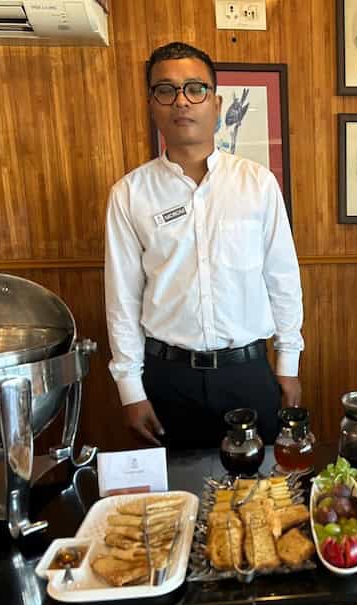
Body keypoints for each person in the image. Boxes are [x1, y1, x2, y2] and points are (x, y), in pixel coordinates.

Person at [105, 41, 303, 449]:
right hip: (166, 378)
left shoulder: (257, 184)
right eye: (166, 90)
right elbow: (122, 298)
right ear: (152, 104)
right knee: (176, 504)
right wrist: (130, 388)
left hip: (248, 374)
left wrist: (288, 365)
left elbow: (282, 279)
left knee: (262, 499)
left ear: (216, 102)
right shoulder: (130, 194)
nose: (182, 102)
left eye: (195, 89)